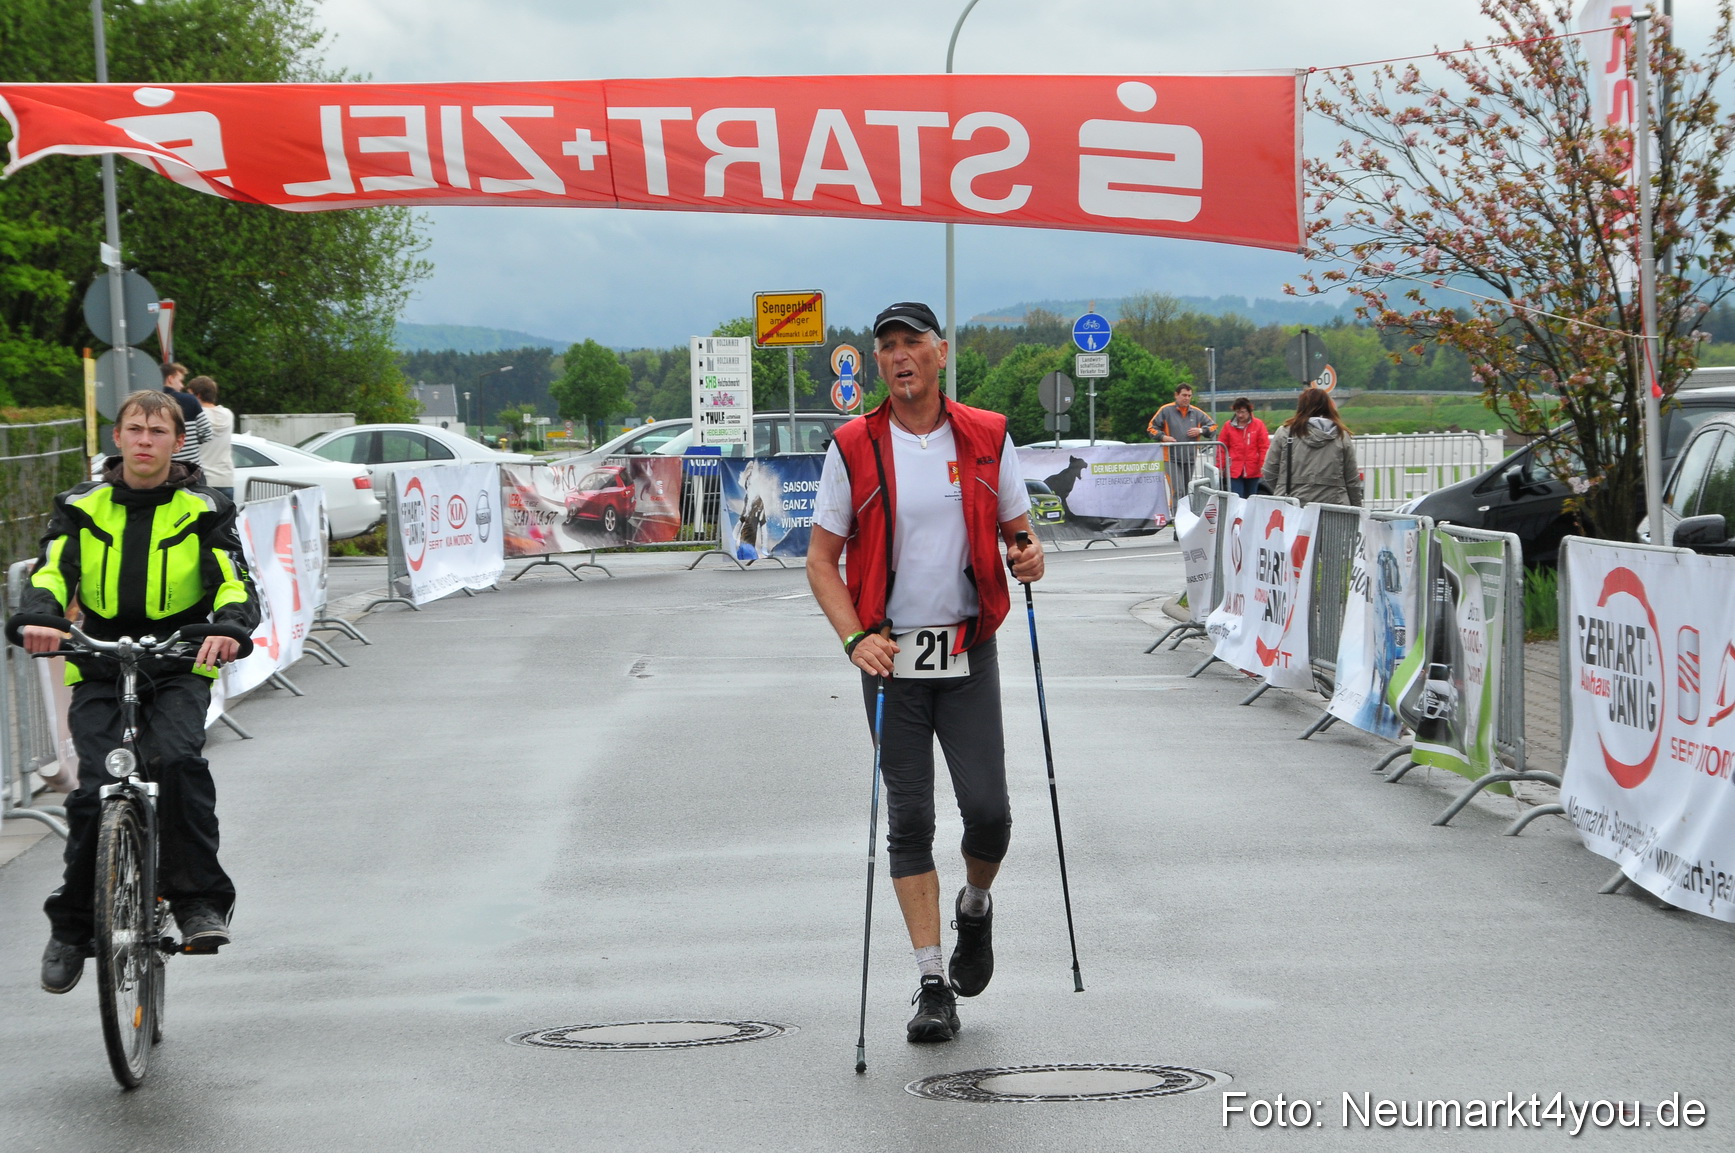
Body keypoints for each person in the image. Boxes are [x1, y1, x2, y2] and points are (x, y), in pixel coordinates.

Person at [807, 301, 1043, 1045]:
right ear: (877, 362)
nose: (900, 355)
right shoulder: (852, 446)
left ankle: (974, 905)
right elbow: (821, 560)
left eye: (913, 343)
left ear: (940, 354)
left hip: (967, 651)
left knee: (990, 813)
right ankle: (932, 982)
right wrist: (854, 638)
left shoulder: (987, 436)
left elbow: (1019, 534)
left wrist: (1030, 556)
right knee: (909, 821)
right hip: (891, 659)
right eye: (887, 346)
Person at [20, 390, 259, 994]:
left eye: (158, 431)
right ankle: (72, 928)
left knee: (175, 761)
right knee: (94, 792)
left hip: (179, 658)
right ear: (118, 437)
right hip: (100, 658)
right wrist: (42, 616)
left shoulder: (205, 506)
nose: (145, 440)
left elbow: (232, 579)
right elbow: (52, 569)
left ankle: (197, 902)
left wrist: (229, 627)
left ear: (177, 441)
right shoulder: (81, 504)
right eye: (135, 429)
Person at [1261, 387, 1363, 507]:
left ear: (1301, 406)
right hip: (1334, 506)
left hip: (1293, 505)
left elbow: (1269, 471)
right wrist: (1357, 508)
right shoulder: (1341, 436)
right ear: (1328, 406)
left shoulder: (1286, 433)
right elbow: (1352, 480)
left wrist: (1284, 487)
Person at [1147, 384, 1216, 500]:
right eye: (1184, 395)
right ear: (1176, 395)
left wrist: (1201, 430)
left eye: (1189, 396)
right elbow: (1151, 428)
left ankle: (1183, 511)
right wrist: (1163, 437)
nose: (1187, 398)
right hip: (1170, 458)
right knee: (1177, 490)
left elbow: (1213, 427)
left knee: (1186, 491)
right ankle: (1174, 511)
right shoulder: (1165, 410)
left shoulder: (1197, 412)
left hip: (1189, 458)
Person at [187, 375, 235, 499]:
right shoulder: (228, 414)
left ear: (197, 395)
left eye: (189, 395)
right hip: (226, 479)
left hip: (202, 479)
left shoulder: (196, 416)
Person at [161, 361, 212, 470]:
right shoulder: (189, 400)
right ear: (170, 379)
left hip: (162, 471)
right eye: (180, 381)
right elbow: (207, 433)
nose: (182, 386)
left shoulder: (148, 402)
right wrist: (189, 442)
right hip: (190, 470)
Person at [1220, 397, 1271, 500]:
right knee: (1237, 499)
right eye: (1237, 412)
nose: (1240, 415)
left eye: (1243, 412)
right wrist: (1220, 467)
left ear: (1249, 411)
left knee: (1251, 499)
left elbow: (1264, 447)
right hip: (1234, 469)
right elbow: (1222, 448)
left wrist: (1263, 466)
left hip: (1253, 469)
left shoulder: (1258, 425)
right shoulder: (1228, 426)